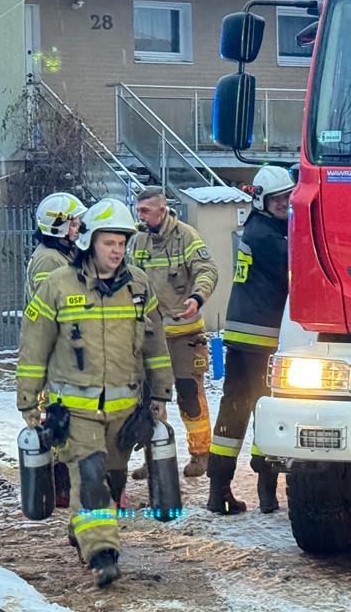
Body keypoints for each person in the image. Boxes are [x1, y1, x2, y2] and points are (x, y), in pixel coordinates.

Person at [16, 198, 174, 588]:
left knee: (113, 482)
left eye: (122, 242)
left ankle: (84, 528)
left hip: (125, 412)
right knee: (89, 478)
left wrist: (160, 395)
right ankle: (103, 554)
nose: (117, 250)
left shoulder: (138, 286)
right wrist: (28, 400)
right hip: (75, 412)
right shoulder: (56, 286)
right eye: (109, 242)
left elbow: (155, 345)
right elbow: (34, 346)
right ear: (89, 242)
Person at [208, 166, 294, 515]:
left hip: (243, 334)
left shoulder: (258, 229)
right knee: (265, 408)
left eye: (288, 197)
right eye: (278, 199)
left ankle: (219, 490)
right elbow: (295, 272)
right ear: (262, 200)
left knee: (235, 408)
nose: (285, 204)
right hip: (262, 337)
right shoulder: (270, 237)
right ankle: (266, 490)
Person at [130, 188, 218, 479]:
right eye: (138, 210)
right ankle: (155, 455)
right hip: (151, 334)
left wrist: (198, 297)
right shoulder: (138, 241)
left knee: (189, 392)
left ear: (162, 209)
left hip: (185, 332)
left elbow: (207, 269)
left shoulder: (186, 236)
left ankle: (201, 454)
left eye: (145, 211)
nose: (139, 216)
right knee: (150, 397)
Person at [25, 192, 88, 509]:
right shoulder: (49, 260)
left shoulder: (61, 255)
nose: (79, 226)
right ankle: (62, 488)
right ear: (58, 227)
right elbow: (56, 307)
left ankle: (65, 485)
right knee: (61, 419)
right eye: (74, 222)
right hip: (57, 354)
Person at [25, 192, 87, 302]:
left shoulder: (64, 252)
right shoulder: (48, 259)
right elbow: (48, 302)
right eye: (73, 225)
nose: (78, 229)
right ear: (56, 228)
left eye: (78, 224)